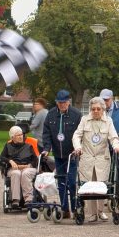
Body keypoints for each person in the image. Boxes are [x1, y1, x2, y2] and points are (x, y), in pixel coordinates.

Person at [72, 97, 119, 222]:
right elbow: (76, 135)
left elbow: (114, 137)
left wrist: (116, 146)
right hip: (87, 157)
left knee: (101, 185)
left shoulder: (108, 121)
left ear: (103, 109)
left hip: (102, 158)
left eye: (98, 109)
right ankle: (92, 214)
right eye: (93, 109)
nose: (95, 111)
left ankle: (101, 212)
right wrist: (78, 147)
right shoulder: (85, 120)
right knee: (89, 186)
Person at [42, 90, 82, 218]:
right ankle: (65, 209)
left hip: (72, 155)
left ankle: (75, 208)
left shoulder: (76, 114)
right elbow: (46, 133)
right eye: (59, 103)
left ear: (68, 102)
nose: (62, 105)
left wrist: (77, 148)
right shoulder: (51, 114)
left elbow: (80, 134)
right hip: (58, 155)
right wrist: (47, 148)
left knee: (71, 182)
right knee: (61, 182)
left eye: (64, 102)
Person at [100, 89, 119, 198]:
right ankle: (108, 192)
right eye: (102, 100)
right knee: (106, 170)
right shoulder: (99, 110)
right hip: (104, 145)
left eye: (106, 100)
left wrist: (117, 137)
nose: (104, 102)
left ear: (112, 99)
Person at [0, 126, 38, 208]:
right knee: (16, 173)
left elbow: (35, 160)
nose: (21, 136)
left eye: (21, 134)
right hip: (14, 169)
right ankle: (15, 200)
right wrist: (10, 161)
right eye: (18, 135)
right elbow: (2, 157)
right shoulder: (8, 146)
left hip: (28, 168)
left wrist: (29, 165)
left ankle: (28, 199)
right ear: (12, 137)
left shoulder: (28, 146)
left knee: (25, 173)